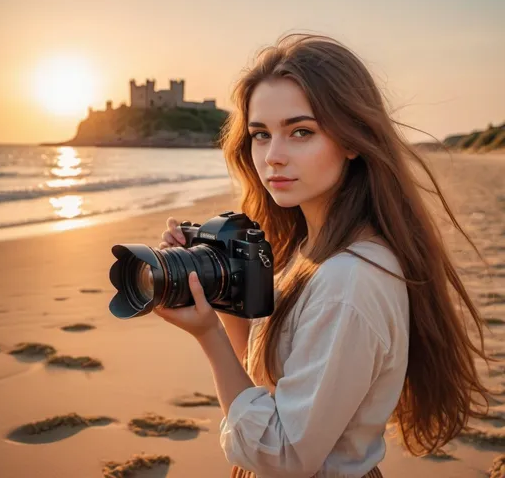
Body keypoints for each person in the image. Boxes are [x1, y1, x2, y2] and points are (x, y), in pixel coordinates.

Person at [154, 33, 490, 478]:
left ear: (353, 139)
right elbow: (268, 388)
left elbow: (284, 456)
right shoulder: (309, 250)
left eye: (301, 132)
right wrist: (219, 295)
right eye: (260, 134)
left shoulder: (347, 280)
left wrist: (207, 337)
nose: (273, 156)